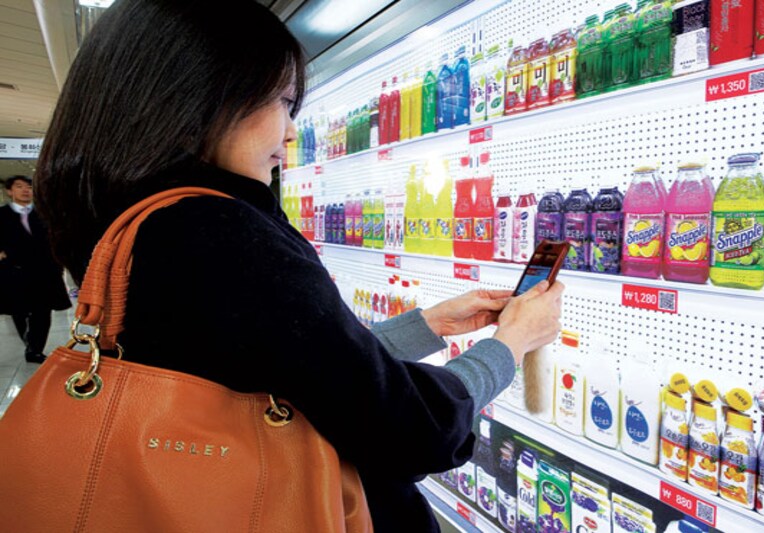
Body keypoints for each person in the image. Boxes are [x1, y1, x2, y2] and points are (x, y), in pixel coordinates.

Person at [34, 0, 563, 530]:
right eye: (283, 102)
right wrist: (510, 344)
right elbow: (409, 431)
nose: (290, 132)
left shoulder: (130, 214)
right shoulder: (218, 232)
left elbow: (294, 370)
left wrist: (428, 326)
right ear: (199, 95)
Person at [0, 175, 71, 363]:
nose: (25, 190)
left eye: (29, 187)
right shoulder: (2, 215)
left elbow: (59, 236)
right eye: (19, 186)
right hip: (15, 272)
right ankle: (28, 339)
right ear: (10, 191)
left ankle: (35, 349)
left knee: (43, 311)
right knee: (19, 311)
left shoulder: (46, 214)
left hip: (44, 272)